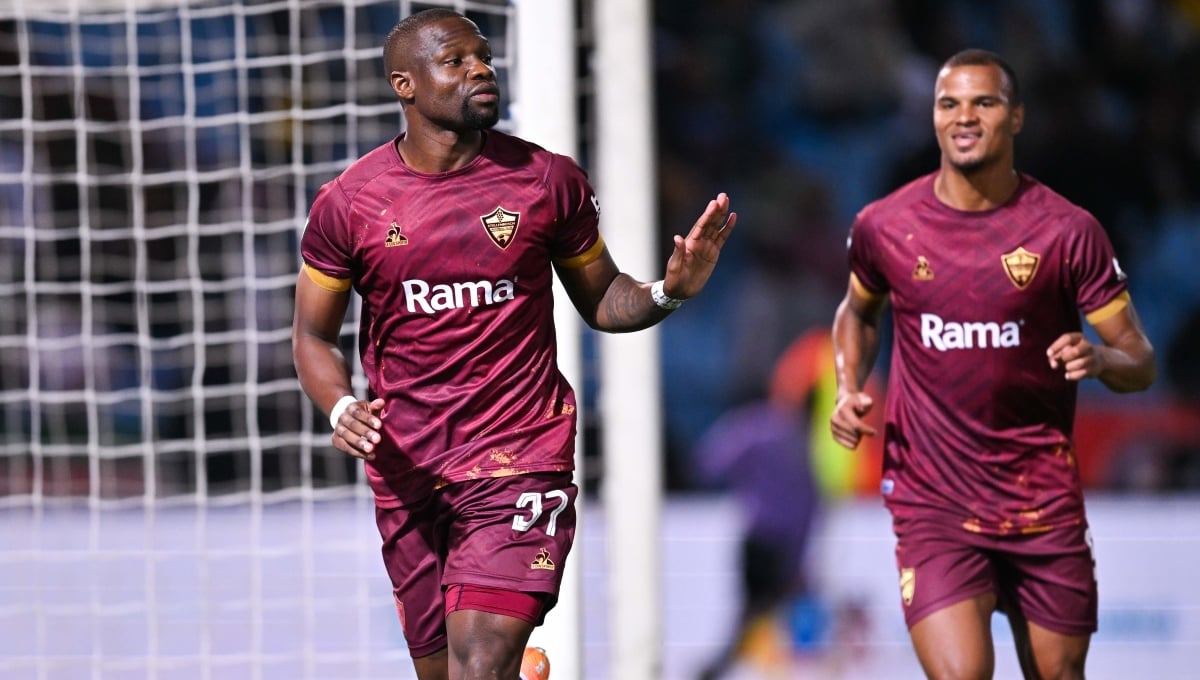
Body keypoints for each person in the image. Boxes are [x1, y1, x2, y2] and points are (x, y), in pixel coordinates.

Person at [291, 8, 736, 680]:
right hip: (409, 470)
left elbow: (605, 301)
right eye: (457, 61)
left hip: (520, 460)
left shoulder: (546, 181)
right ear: (404, 85)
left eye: (484, 56)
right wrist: (338, 406)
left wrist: (669, 290)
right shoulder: (349, 204)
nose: (480, 70)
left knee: (480, 660)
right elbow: (312, 336)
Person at [829, 49, 1155, 680]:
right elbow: (857, 311)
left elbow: (1141, 360)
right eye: (950, 103)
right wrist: (849, 385)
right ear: (933, 117)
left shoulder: (1068, 232)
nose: (965, 116)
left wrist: (1102, 357)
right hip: (935, 502)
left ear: (1017, 117)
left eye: (985, 101)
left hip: (1042, 501)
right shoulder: (885, 226)